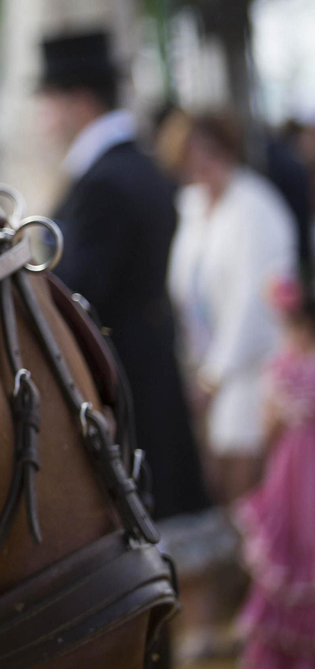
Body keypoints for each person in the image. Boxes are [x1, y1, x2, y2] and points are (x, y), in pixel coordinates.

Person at [38, 30, 212, 523]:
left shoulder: (105, 180)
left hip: (124, 382)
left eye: (49, 100)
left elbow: (78, 289)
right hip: (149, 368)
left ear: (79, 102)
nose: (42, 116)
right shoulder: (131, 166)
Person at [168, 111, 298, 502]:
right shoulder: (192, 207)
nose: (201, 165)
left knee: (248, 489)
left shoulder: (255, 207)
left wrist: (214, 377)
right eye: (191, 157)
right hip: (205, 370)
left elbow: (253, 305)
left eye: (209, 153)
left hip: (253, 371)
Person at [234, 278, 315, 669]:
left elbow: (266, 427)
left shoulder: (283, 366)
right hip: (303, 474)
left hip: (291, 473)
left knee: (290, 554)